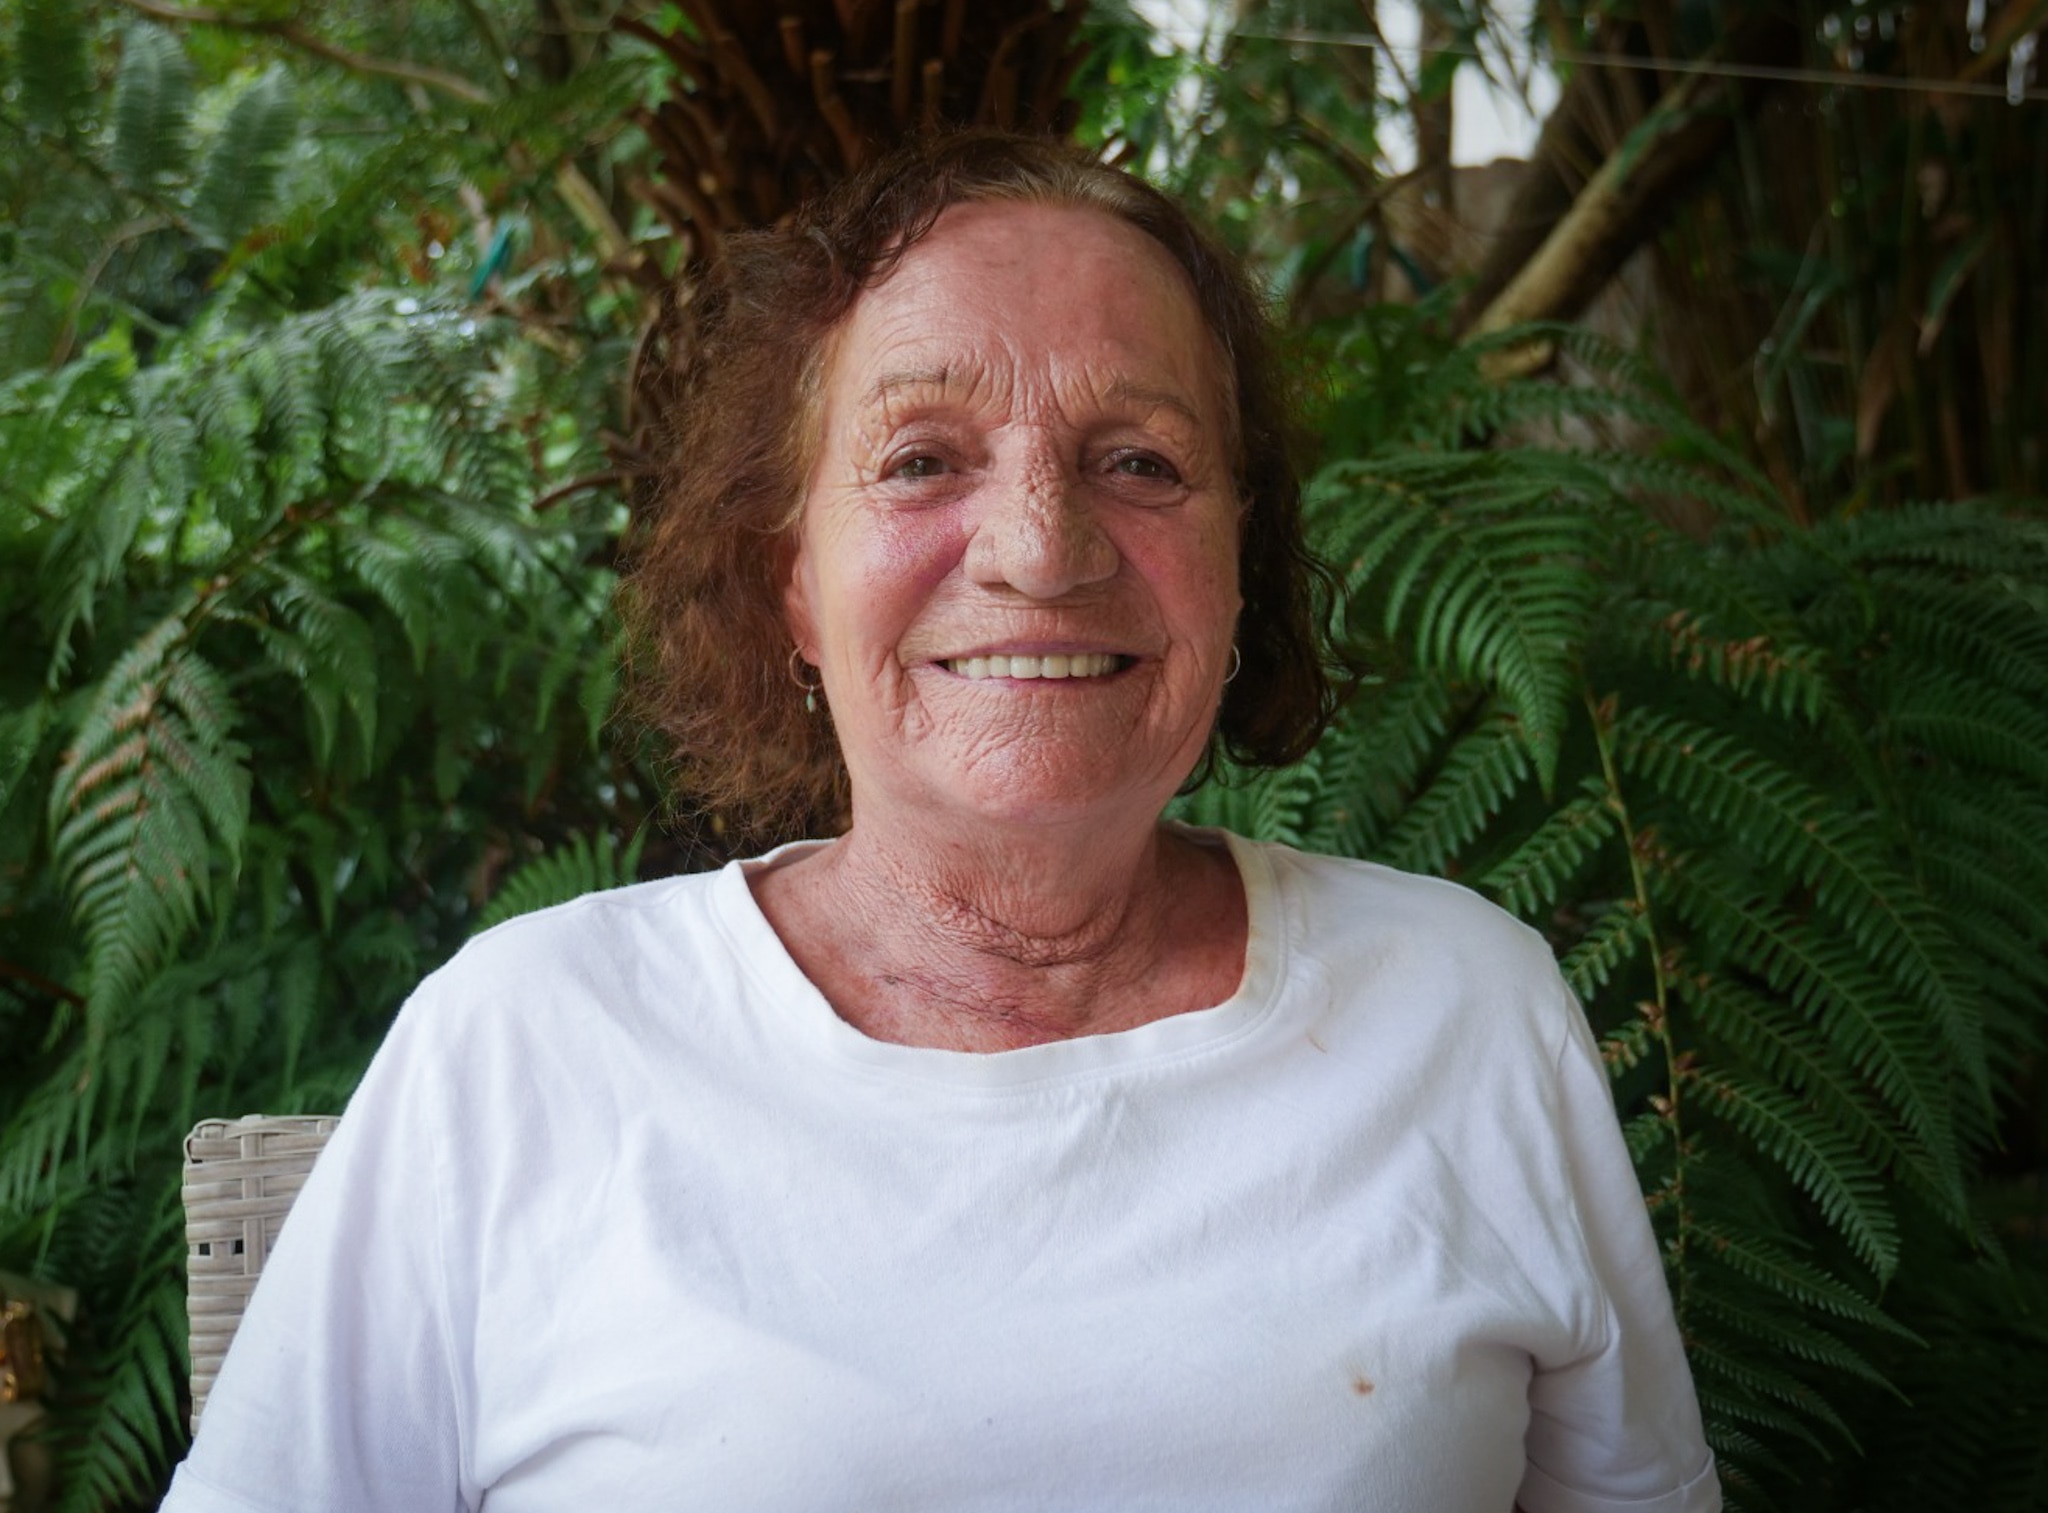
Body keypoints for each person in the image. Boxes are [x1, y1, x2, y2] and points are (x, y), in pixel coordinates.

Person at [162, 131, 1720, 1512]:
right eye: (922, 459)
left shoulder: (1468, 1009)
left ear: (1243, 562)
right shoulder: (523, 1051)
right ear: (792, 579)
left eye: (1140, 460)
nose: (1042, 548)